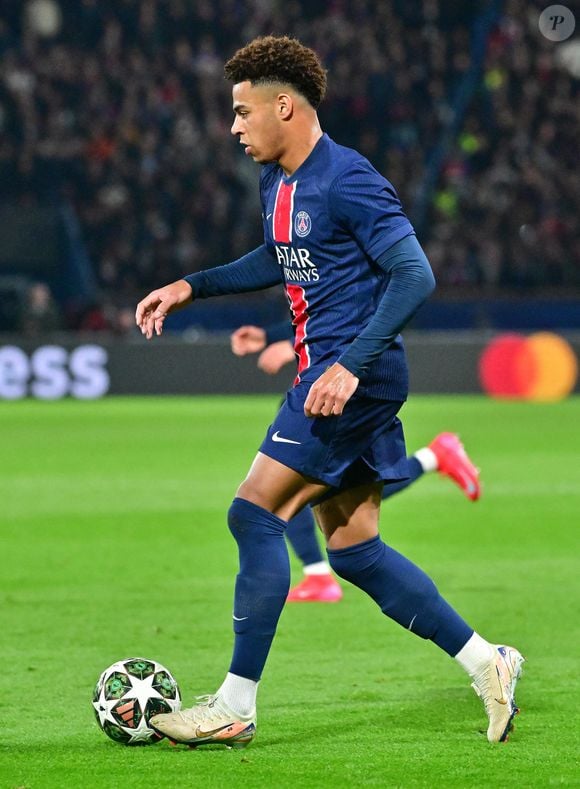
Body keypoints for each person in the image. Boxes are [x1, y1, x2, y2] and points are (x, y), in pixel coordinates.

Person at [135, 36, 523, 749]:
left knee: (253, 514)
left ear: (285, 106)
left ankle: (234, 704)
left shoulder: (348, 177)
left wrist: (347, 366)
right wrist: (192, 286)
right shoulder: (278, 181)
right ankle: (487, 660)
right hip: (343, 377)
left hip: (349, 381)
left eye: (242, 110)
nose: (233, 125)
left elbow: (415, 274)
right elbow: (276, 256)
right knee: (353, 549)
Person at [231, 323, 481, 603]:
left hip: (350, 387)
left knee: (292, 482)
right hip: (332, 384)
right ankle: (435, 455)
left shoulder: (387, 282)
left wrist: (292, 344)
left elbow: (355, 310)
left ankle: (317, 575)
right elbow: (316, 305)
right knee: (340, 490)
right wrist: (272, 335)